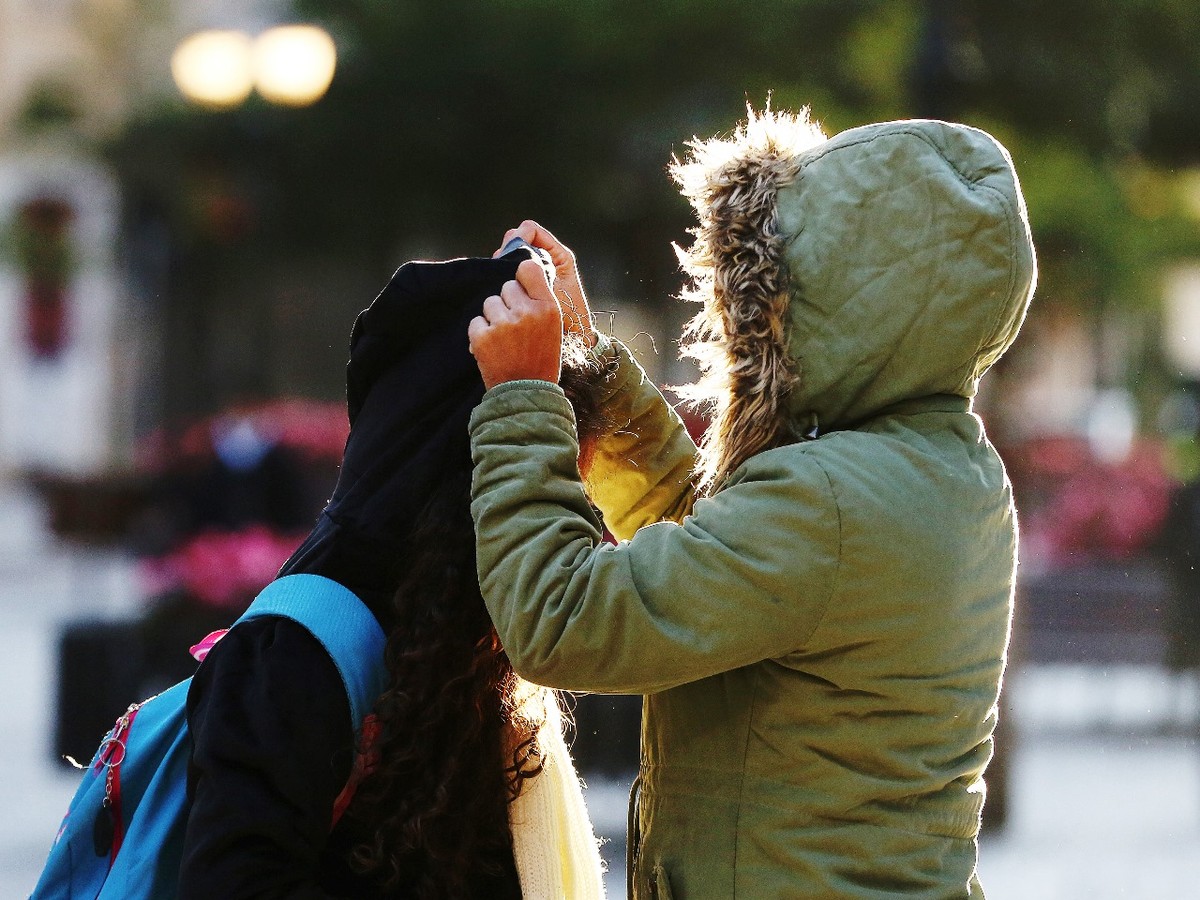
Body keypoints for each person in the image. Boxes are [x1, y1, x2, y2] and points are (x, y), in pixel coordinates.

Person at [466, 108, 1037, 897]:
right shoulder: (945, 471)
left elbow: (562, 621)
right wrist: (589, 364)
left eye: (770, 291)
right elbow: (712, 555)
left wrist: (525, 401)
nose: (746, 320)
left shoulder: (827, 500)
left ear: (844, 303)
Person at [178, 250, 607, 898]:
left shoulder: (462, 636)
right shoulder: (296, 652)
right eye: (544, 457)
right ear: (471, 464)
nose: (576, 501)